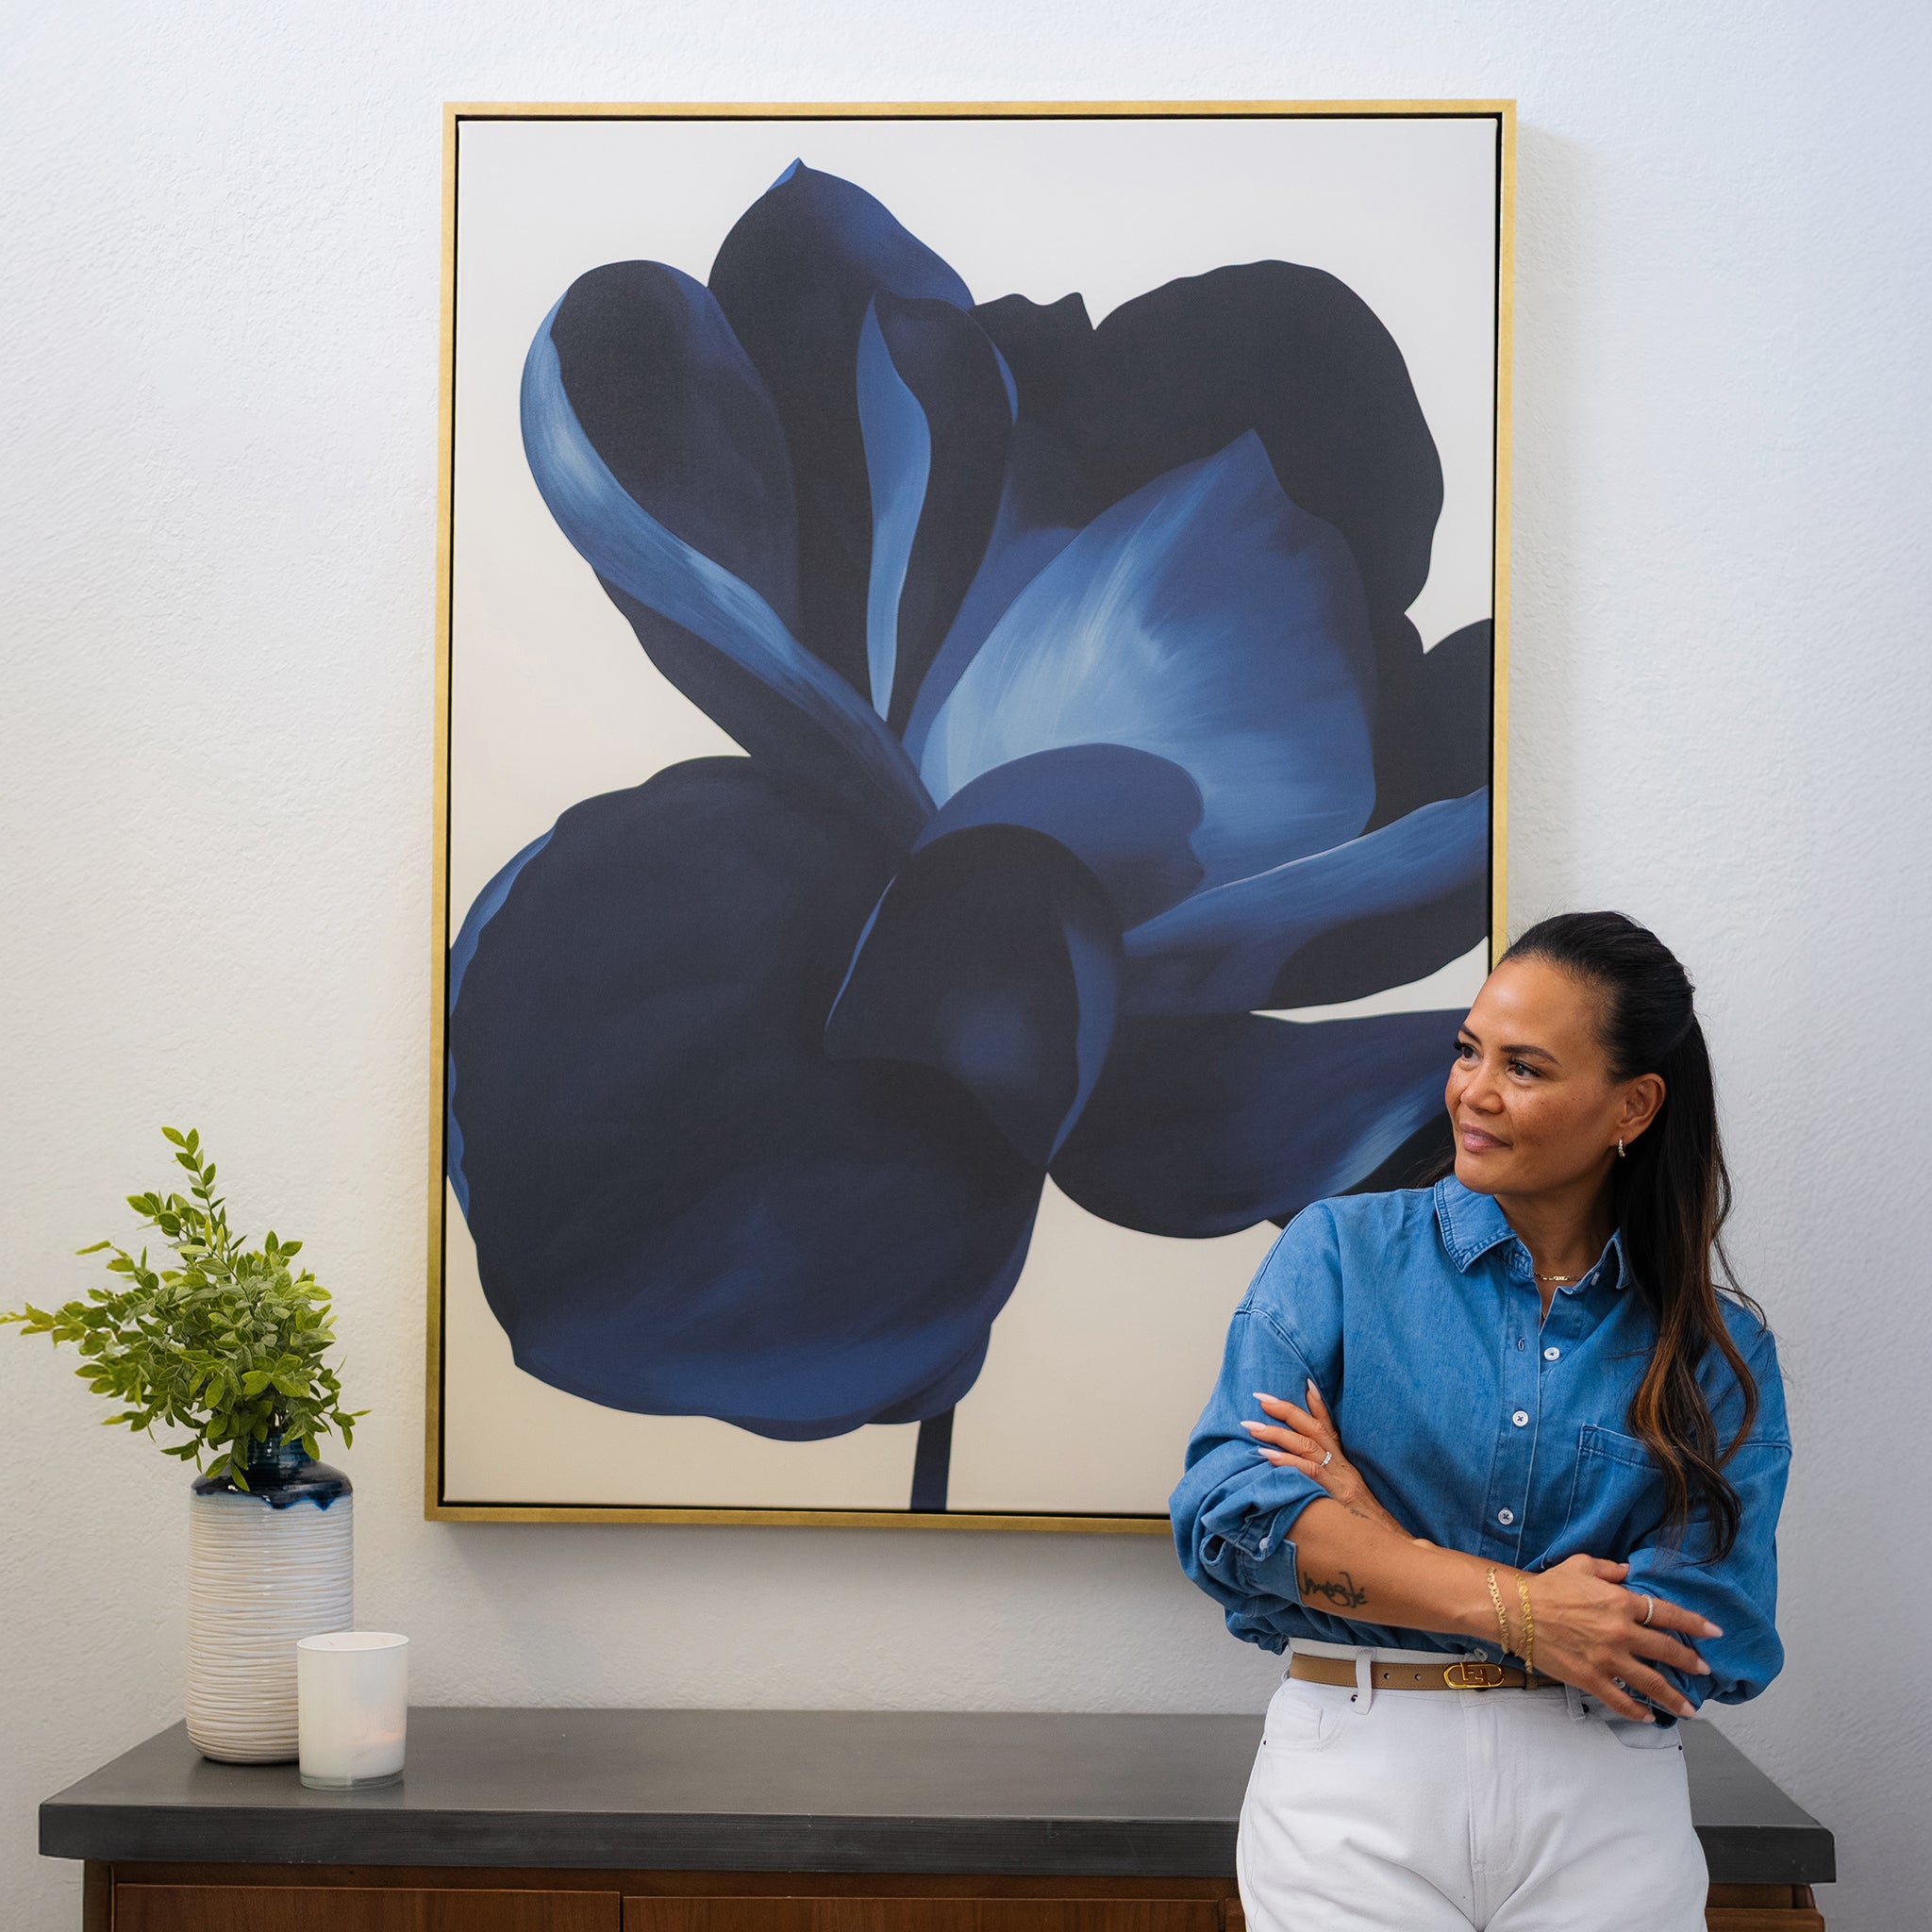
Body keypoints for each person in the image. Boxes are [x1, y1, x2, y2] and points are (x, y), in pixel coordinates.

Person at [1170, 911, 1790, 1932]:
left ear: (1630, 1105)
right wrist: (1520, 1605)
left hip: (1603, 1798)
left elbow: (1702, 1638)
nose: (1472, 1091)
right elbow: (1232, 1526)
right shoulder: (1334, 1254)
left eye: (1525, 1067)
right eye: (1467, 1050)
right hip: (1352, 1788)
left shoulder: (1712, 1350)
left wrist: (1374, 1535)